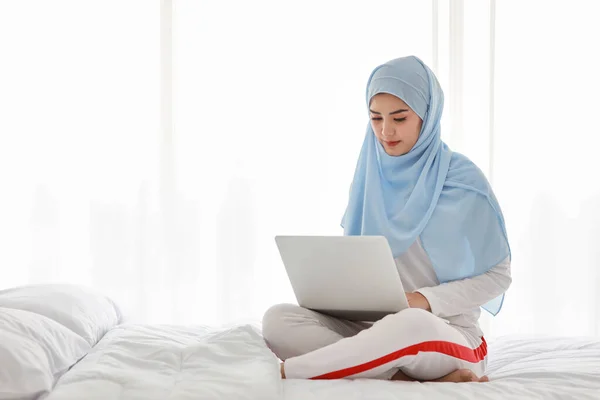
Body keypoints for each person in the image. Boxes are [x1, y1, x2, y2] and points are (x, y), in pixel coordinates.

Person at [262, 56, 511, 383]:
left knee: (409, 324)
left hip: (447, 332)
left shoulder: (462, 180)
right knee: (278, 320)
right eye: (375, 118)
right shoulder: (368, 177)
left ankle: (289, 372)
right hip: (375, 327)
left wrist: (423, 301)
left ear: (427, 116)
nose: (385, 130)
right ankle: (396, 377)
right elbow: (361, 261)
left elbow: (498, 276)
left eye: (400, 118)